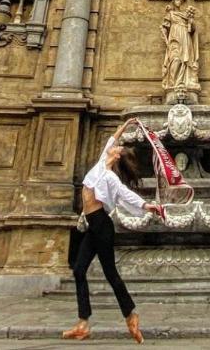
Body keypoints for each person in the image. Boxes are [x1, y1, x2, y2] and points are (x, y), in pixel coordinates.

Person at [62, 118, 163, 343]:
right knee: (79, 270)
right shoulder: (100, 164)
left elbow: (127, 195)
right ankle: (83, 323)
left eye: (117, 149)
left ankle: (131, 315)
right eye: (117, 146)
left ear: (116, 156)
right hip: (92, 225)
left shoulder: (111, 179)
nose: (116, 147)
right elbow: (113, 138)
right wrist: (126, 124)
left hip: (102, 226)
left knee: (110, 273)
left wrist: (147, 206)